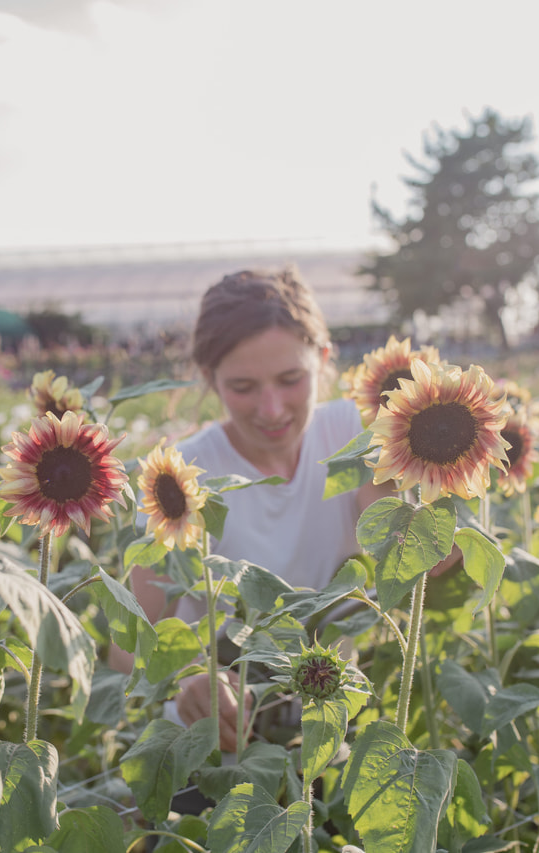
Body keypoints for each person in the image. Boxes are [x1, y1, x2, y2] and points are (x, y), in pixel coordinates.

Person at [112, 265, 397, 751]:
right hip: (219, 731)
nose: (271, 409)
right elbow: (127, 650)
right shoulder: (181, 478)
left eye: (291, 379)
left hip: (328, 713)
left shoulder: (350, 435)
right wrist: (187, 679)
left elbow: (400, 558)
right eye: (243, 388)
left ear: (324, 359)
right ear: (210, 379)